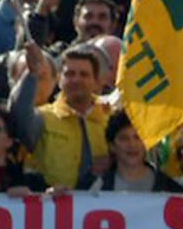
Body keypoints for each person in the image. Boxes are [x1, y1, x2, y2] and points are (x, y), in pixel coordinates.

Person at [9, 42, 113, 190]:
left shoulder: (111, 119)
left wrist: (113, 161)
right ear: (59, 80)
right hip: (52, 209)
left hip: (102, 209)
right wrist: (31, 74)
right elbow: (18, 115)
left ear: (97, 83)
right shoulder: (43, 117)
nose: (76, 80)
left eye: (84, 74)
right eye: (69, 74)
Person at [86, 110, 177, 193]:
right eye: (124, 138)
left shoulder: (170, 188)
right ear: (112, 146)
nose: (132, 144)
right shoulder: (93, 186)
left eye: (137, 137)